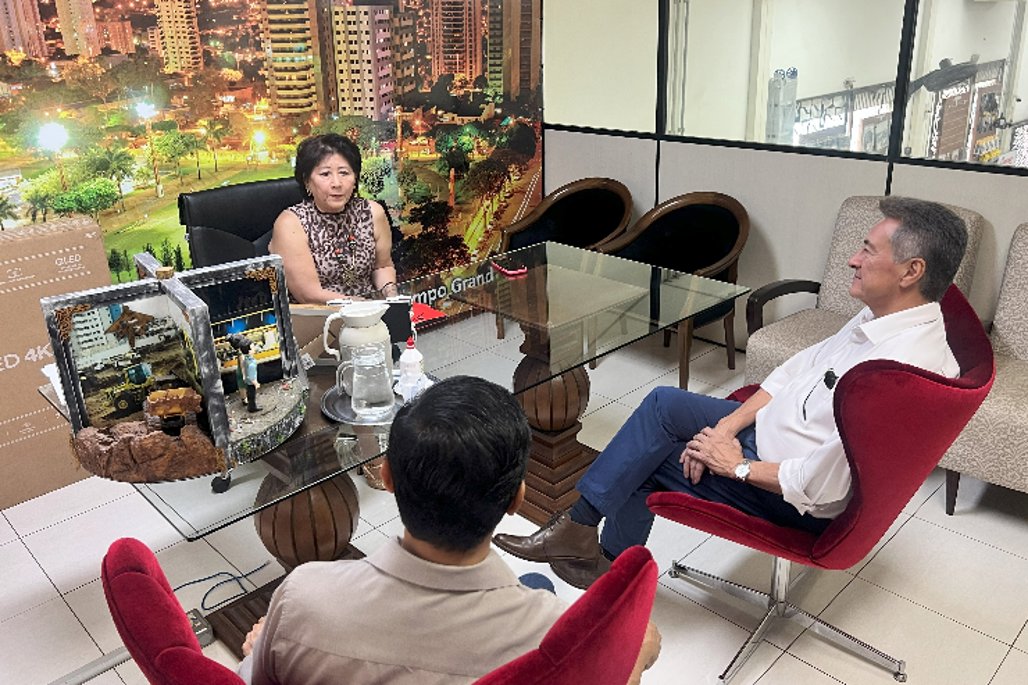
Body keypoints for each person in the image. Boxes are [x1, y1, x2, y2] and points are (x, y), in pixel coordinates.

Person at [494, 196, 968, 589]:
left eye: (868, 250)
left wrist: (732, 463)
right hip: (767, 439)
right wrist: (727, 425)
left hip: (787, 492)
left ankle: (610, 574)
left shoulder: (893, 376)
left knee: (645, 458)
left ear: (911, 272)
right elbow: (792, 371)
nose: (852, 259)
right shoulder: (886, 316)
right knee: (662, 406)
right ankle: (579, 528)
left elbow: (819, 488)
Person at [239, 375, 662, 684]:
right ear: (517, 498)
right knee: (536, 585)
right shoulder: (562, 637)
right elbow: (635, 652)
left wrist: (258, 648)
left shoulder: (302, 599)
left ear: (387, 478)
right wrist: (634, 651)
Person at [269, 133, 397, 303]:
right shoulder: (291, 223)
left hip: (372, 314)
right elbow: (308, 294)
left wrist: (391, 296)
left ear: (355, 178)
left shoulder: (373, 212)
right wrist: (365, 307)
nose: (337, 183)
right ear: (307, 181)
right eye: (325, 174)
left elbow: (382, 266)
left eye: (344, 173)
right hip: (320, 318)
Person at [228, 333, 260, 413]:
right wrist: (245, 375)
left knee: (241, 385)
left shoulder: (240, 352)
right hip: (243, 372)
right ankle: (245, 400)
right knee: (244, 386)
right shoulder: (242, 354)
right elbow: (243, 366)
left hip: (241, 371)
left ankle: (245, 399)